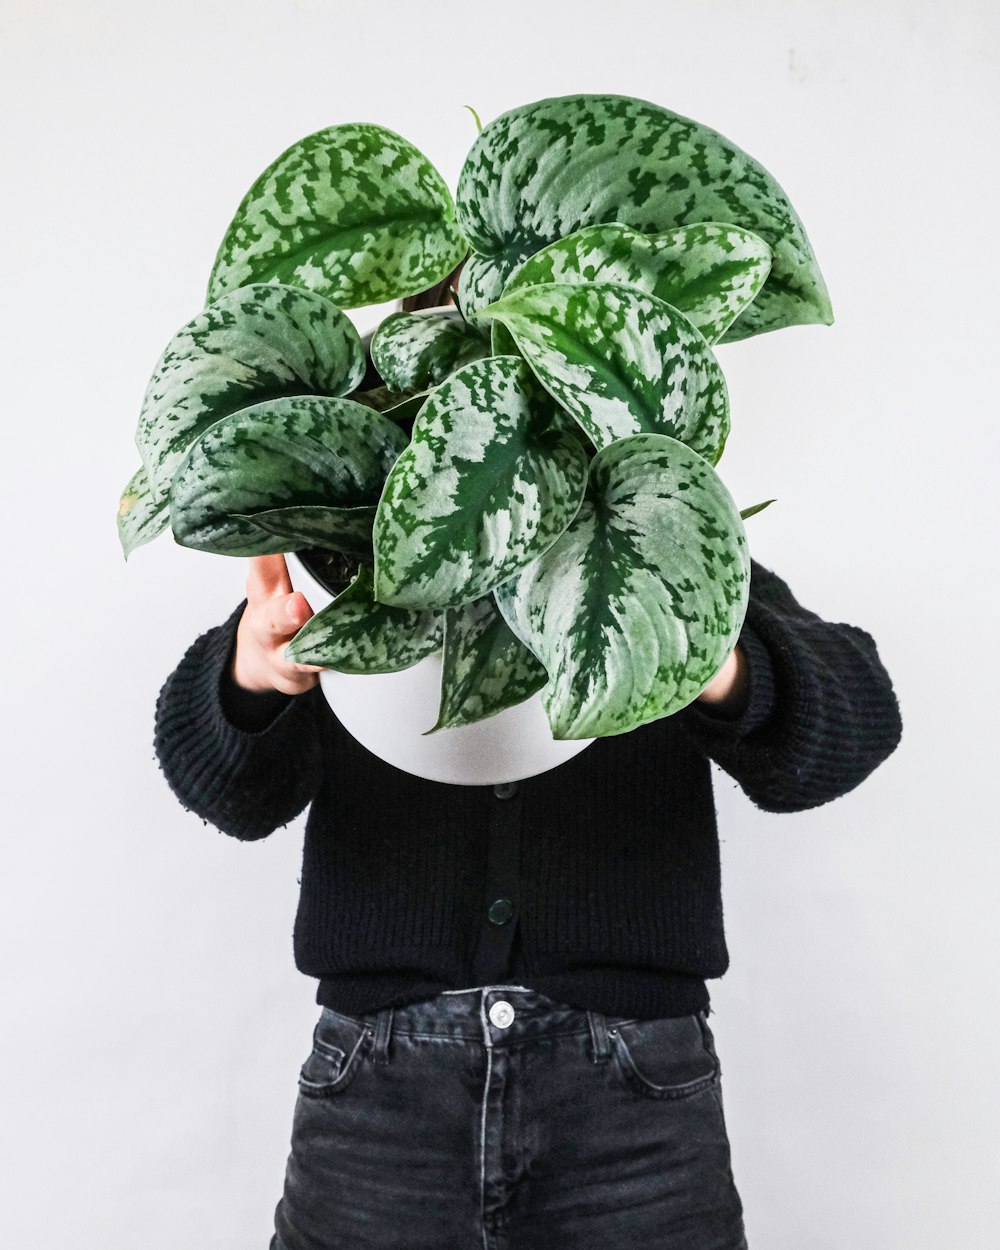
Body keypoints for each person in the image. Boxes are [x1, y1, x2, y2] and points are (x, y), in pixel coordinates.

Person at [153, 266, 903, 1249]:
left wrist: (713, 658)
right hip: (379, 1078)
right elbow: (224, 784)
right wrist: (251, 672)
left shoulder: (649, 537)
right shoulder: (351, 547)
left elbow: (854, 724)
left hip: (631, 1081)